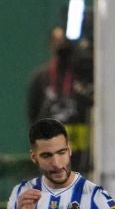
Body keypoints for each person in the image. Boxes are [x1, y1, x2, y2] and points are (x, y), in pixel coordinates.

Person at [25, 26, 93, 174]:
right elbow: (33, 115)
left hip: (82, 156)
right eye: (56, 41)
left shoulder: (83, 76)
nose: (61, 45)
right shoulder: (41, 78)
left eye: (64, 41)